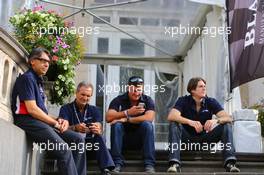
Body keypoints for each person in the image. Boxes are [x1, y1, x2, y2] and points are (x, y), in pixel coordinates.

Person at [11, 47, 86, 175]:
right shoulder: (27, 78)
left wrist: (58, 119)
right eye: (43, 60)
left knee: (78, 140)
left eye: (48, 62)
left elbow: (42, 112)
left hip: (38, 121)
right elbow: (32, 109)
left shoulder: (38, 81)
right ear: (32, 61)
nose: (47, 64)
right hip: (27, 120)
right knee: (63, 149)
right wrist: (55, 123)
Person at [167, 77, 240, 173]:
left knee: (226, 125)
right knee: (174, 124)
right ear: (192, 90)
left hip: (205, 141)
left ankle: (230, 163)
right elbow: (172, 116)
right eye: (201, 86)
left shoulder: (210, 101)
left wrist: (216, 121)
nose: (204, 88)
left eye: (205, 86)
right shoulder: (183, 100)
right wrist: (190, 122)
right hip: (188, 141)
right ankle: (174, 164)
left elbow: (229, 118)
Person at [59, 82, 115, 175]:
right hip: (73, 148)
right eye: (83, 94)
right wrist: (75, 127)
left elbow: (99, 124)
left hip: (90, 147)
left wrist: (98, 128)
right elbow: (61, 128)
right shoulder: (65, 108)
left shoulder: (95, 110)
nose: (85, 98)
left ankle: (106, 169)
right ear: (76, 93)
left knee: (100, 137)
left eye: (88, 96)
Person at [106, 76, 156, 173]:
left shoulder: (147, 100)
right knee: (116, 125)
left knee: (147, 125)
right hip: (122, 140)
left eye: (139, 90)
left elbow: (149, 118)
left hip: (140, 141)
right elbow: (108, 117)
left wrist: (126, 119)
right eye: (133, 89)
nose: (136, 92)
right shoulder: (118, 100)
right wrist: (127, 112)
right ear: (128, 88)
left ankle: (149, 164)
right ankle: (116, 163)